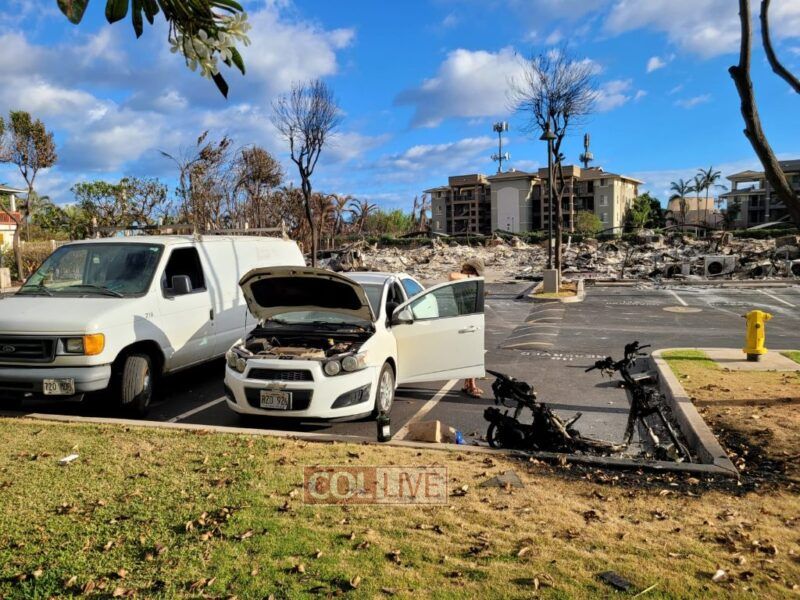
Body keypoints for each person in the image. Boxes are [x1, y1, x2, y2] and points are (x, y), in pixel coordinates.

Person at [449, 257, 485, 398]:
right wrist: (470, 276)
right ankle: (471, 386)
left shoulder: (472, 283)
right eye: (471, 271)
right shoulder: (463, 281)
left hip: (474, 320)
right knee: (472, 355)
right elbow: (451, 276)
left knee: (472, 353)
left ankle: (468, 384)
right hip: (465, 322)